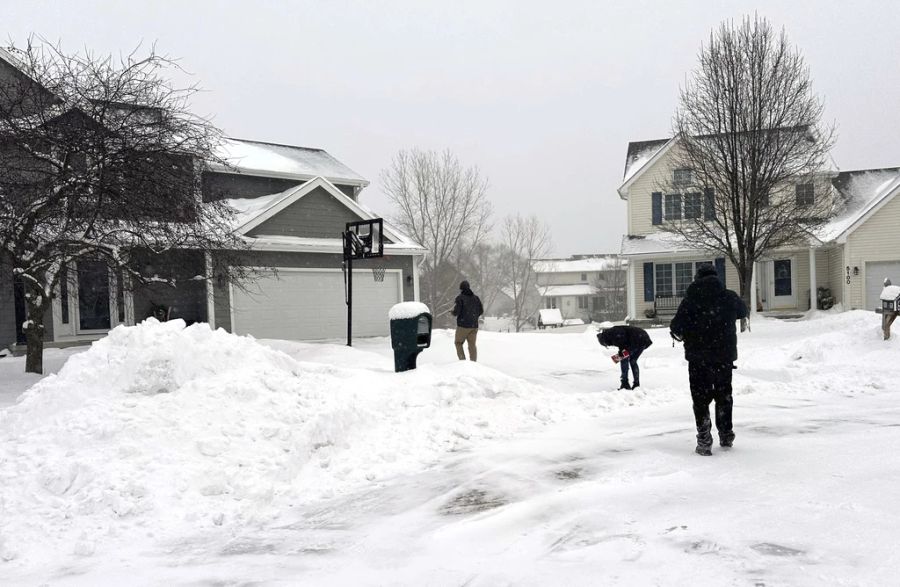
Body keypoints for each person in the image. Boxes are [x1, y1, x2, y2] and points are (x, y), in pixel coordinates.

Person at [669, 264, 749, 456]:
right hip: (724, 357)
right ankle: (726, 433)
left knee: (700, 398)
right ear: (716, 277)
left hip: (698, 359)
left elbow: (676, 327)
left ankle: (704, 439)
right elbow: (742, 311)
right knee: (724, 395)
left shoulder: (690, 301)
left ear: (697, 278)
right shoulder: (728, 297)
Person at [597, 325, 652, 390]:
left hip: (637, 339)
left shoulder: (612, 333)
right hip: (643, 338)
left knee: (623, 359)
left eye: (605, 344)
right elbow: (623, 342)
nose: (607, 346)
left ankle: (625, 384)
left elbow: (622, 342)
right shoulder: (612, 332)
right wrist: (621, 353)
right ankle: (636, 384)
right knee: (632, 361)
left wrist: (621, 353)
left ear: (604, 340)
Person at [451, 280, 484, 361]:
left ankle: (463, 362)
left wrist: (453, 312)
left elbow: (456, 312)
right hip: (474, 326)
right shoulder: (476, 298)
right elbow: (481, 311)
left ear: (461, 289)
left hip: (463, 325)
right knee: (472, 345)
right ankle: (473, 363)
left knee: (458, 343)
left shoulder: (459, 298)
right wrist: (474, 317)